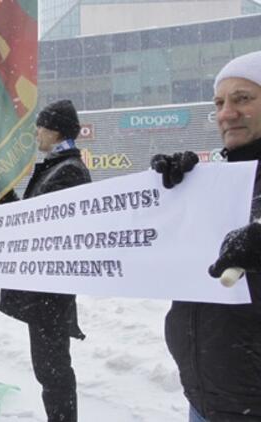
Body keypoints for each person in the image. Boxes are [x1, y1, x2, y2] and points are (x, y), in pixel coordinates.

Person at [151, 51, 261, 421]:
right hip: (206, 399)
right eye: (219, 103)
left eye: (243, 99)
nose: (226, 113)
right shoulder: (220, 181)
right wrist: (176, 197)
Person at [0, 99, 90, 422]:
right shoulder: (57, 167)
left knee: (53, 371)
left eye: (40, 126)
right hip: (45, 290)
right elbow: (30, 217)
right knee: (49, 370)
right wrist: (5, 195)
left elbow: (43, 228)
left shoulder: (68, 171)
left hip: (52, 292)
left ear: (55, 129)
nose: (36, 132)